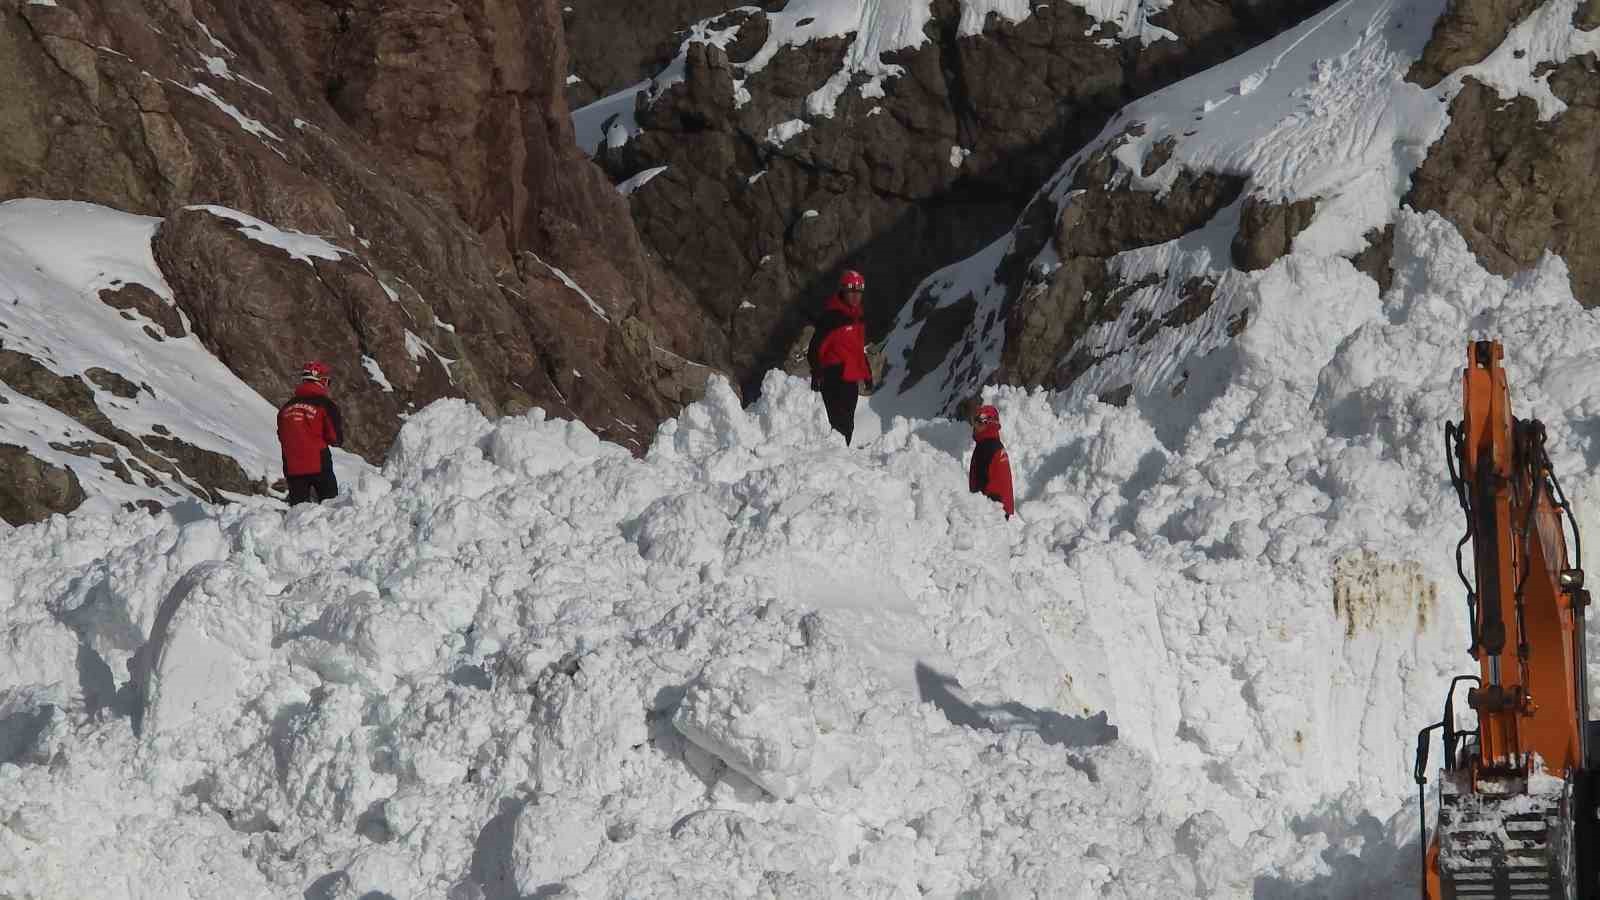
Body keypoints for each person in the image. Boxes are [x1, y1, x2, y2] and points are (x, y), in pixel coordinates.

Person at [808, 269, 872, 444]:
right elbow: (815, 348)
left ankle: (840, 462)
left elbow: (858, 349)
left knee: (848, 425)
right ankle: (833, 463)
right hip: (833, 377)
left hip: (850, 379)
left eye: (859, 291)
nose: (855, 295)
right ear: (843, 291)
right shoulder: (832, 317)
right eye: (851, 291)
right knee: (839, 426)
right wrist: (817, 373)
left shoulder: (857, 317)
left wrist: (867, 374)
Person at [277, 360, 343, 505]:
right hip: (318, 463)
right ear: (321, 380)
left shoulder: (285, 408)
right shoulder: (324, 405)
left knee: (298, 513)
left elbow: (281, 436)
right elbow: (335, 438)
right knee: (331, 507)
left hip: (292, 466)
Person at [969, 404, 1014, 518]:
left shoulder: (985, 448)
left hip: (991, 513)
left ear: (988, 423)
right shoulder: (996, 445)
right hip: (1002, 510)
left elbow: (979, 485)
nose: (974, 427)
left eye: (978, 422)